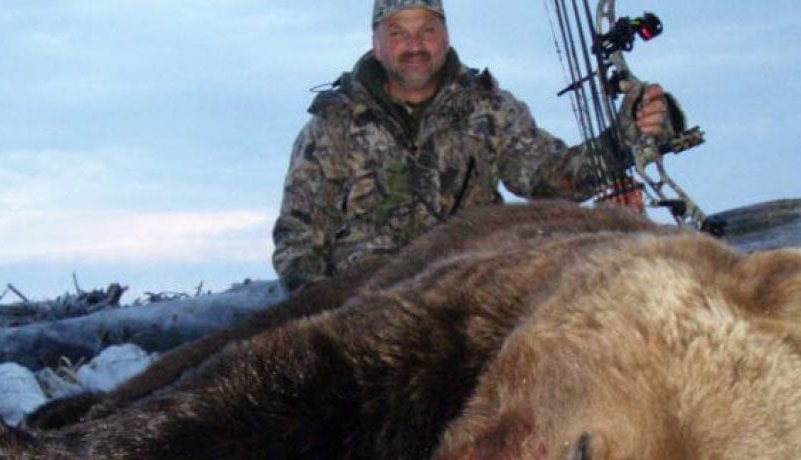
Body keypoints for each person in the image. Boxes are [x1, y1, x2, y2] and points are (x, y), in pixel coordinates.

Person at [272, 0, 680, 292]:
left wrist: (622, 139)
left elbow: (548, 177)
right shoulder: (332, 124)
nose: (414, 46)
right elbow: (299, 237)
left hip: (474, 294)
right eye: (398, 34)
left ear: (445, 37)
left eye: (426, 31)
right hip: (369, 303)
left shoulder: (488, 107)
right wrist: (320, 306)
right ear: (377, 43)